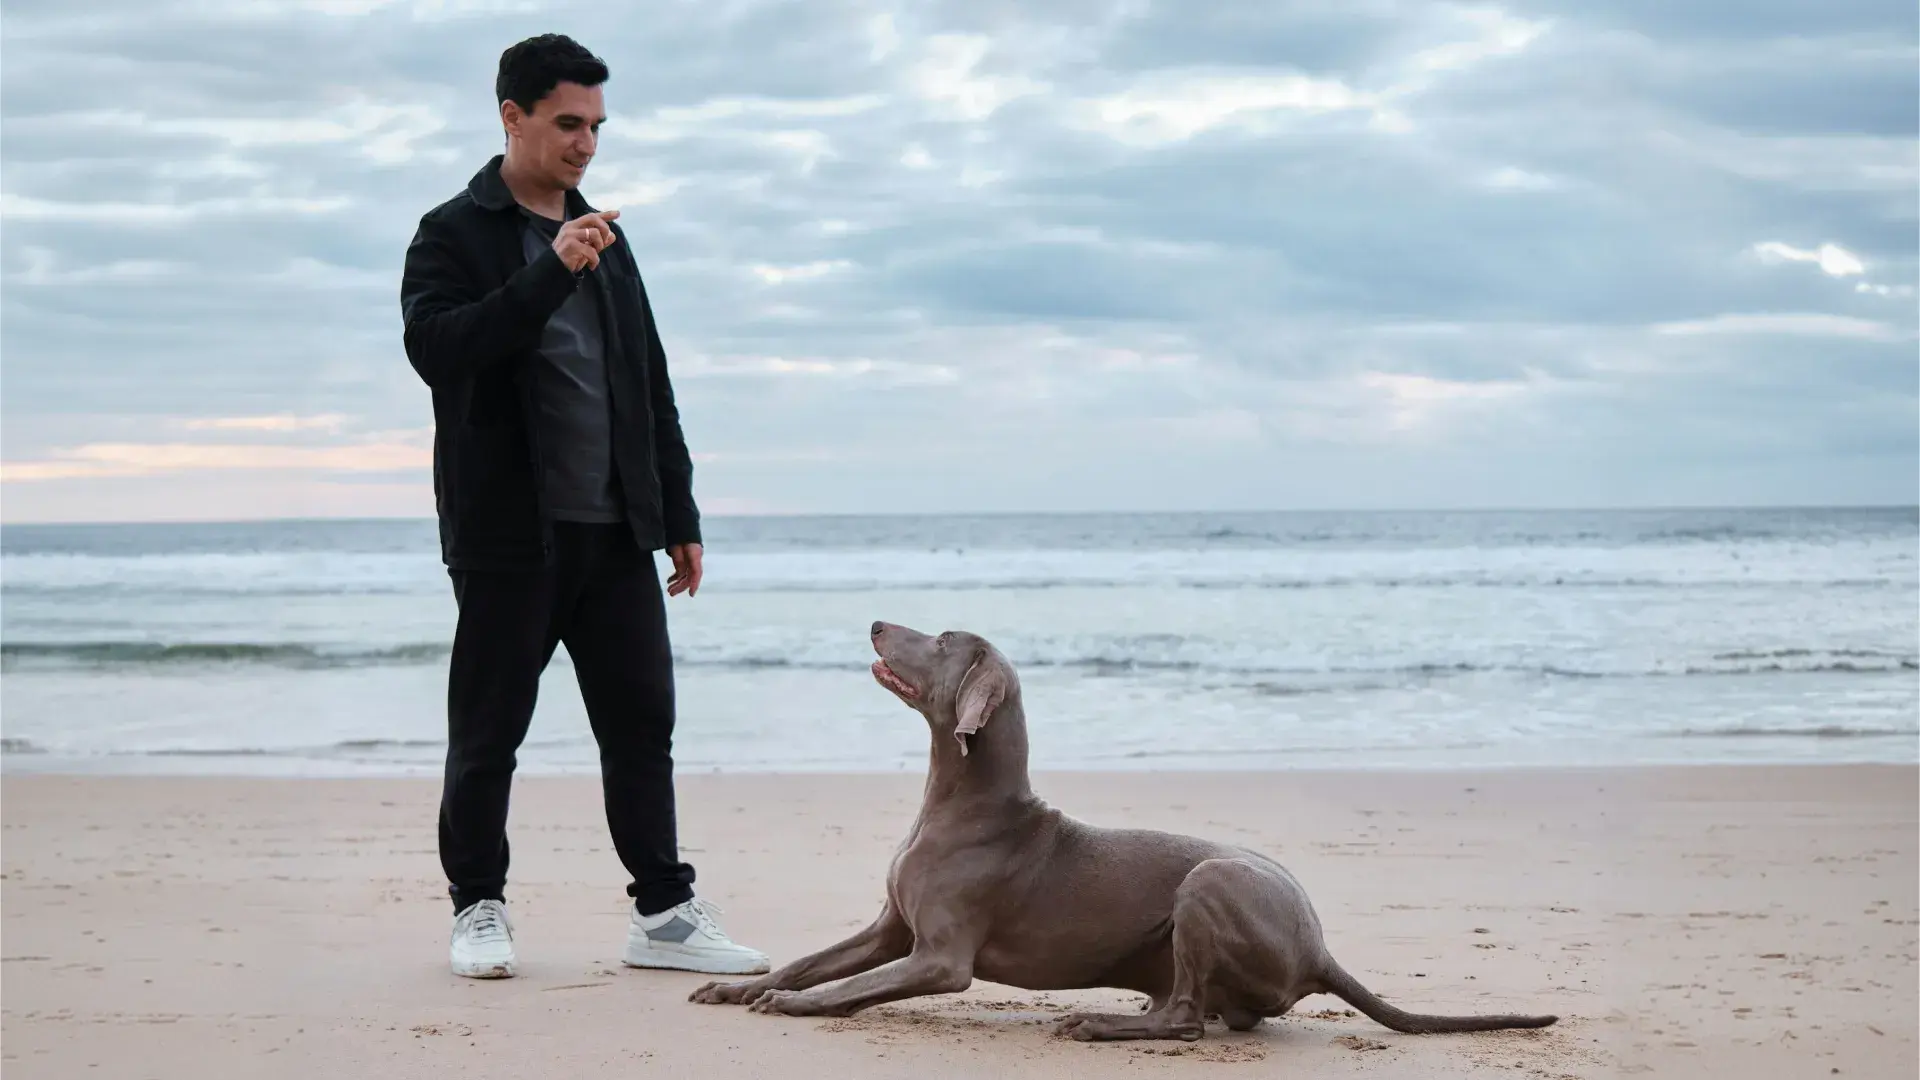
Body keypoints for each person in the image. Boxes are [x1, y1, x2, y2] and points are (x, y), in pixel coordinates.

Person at [398, 33, 768, 980]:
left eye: (598, 126)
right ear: (512, 117)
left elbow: (647, 381)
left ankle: (665, 915)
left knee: (642, 725)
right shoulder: (454, 232)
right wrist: (548, 269)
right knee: (488, 735)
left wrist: (677, 513)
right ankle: (478, 908)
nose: (587, 144)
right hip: (508, 535)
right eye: (569, 123)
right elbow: (439, 351)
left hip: (615, 532)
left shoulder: (609, 234)